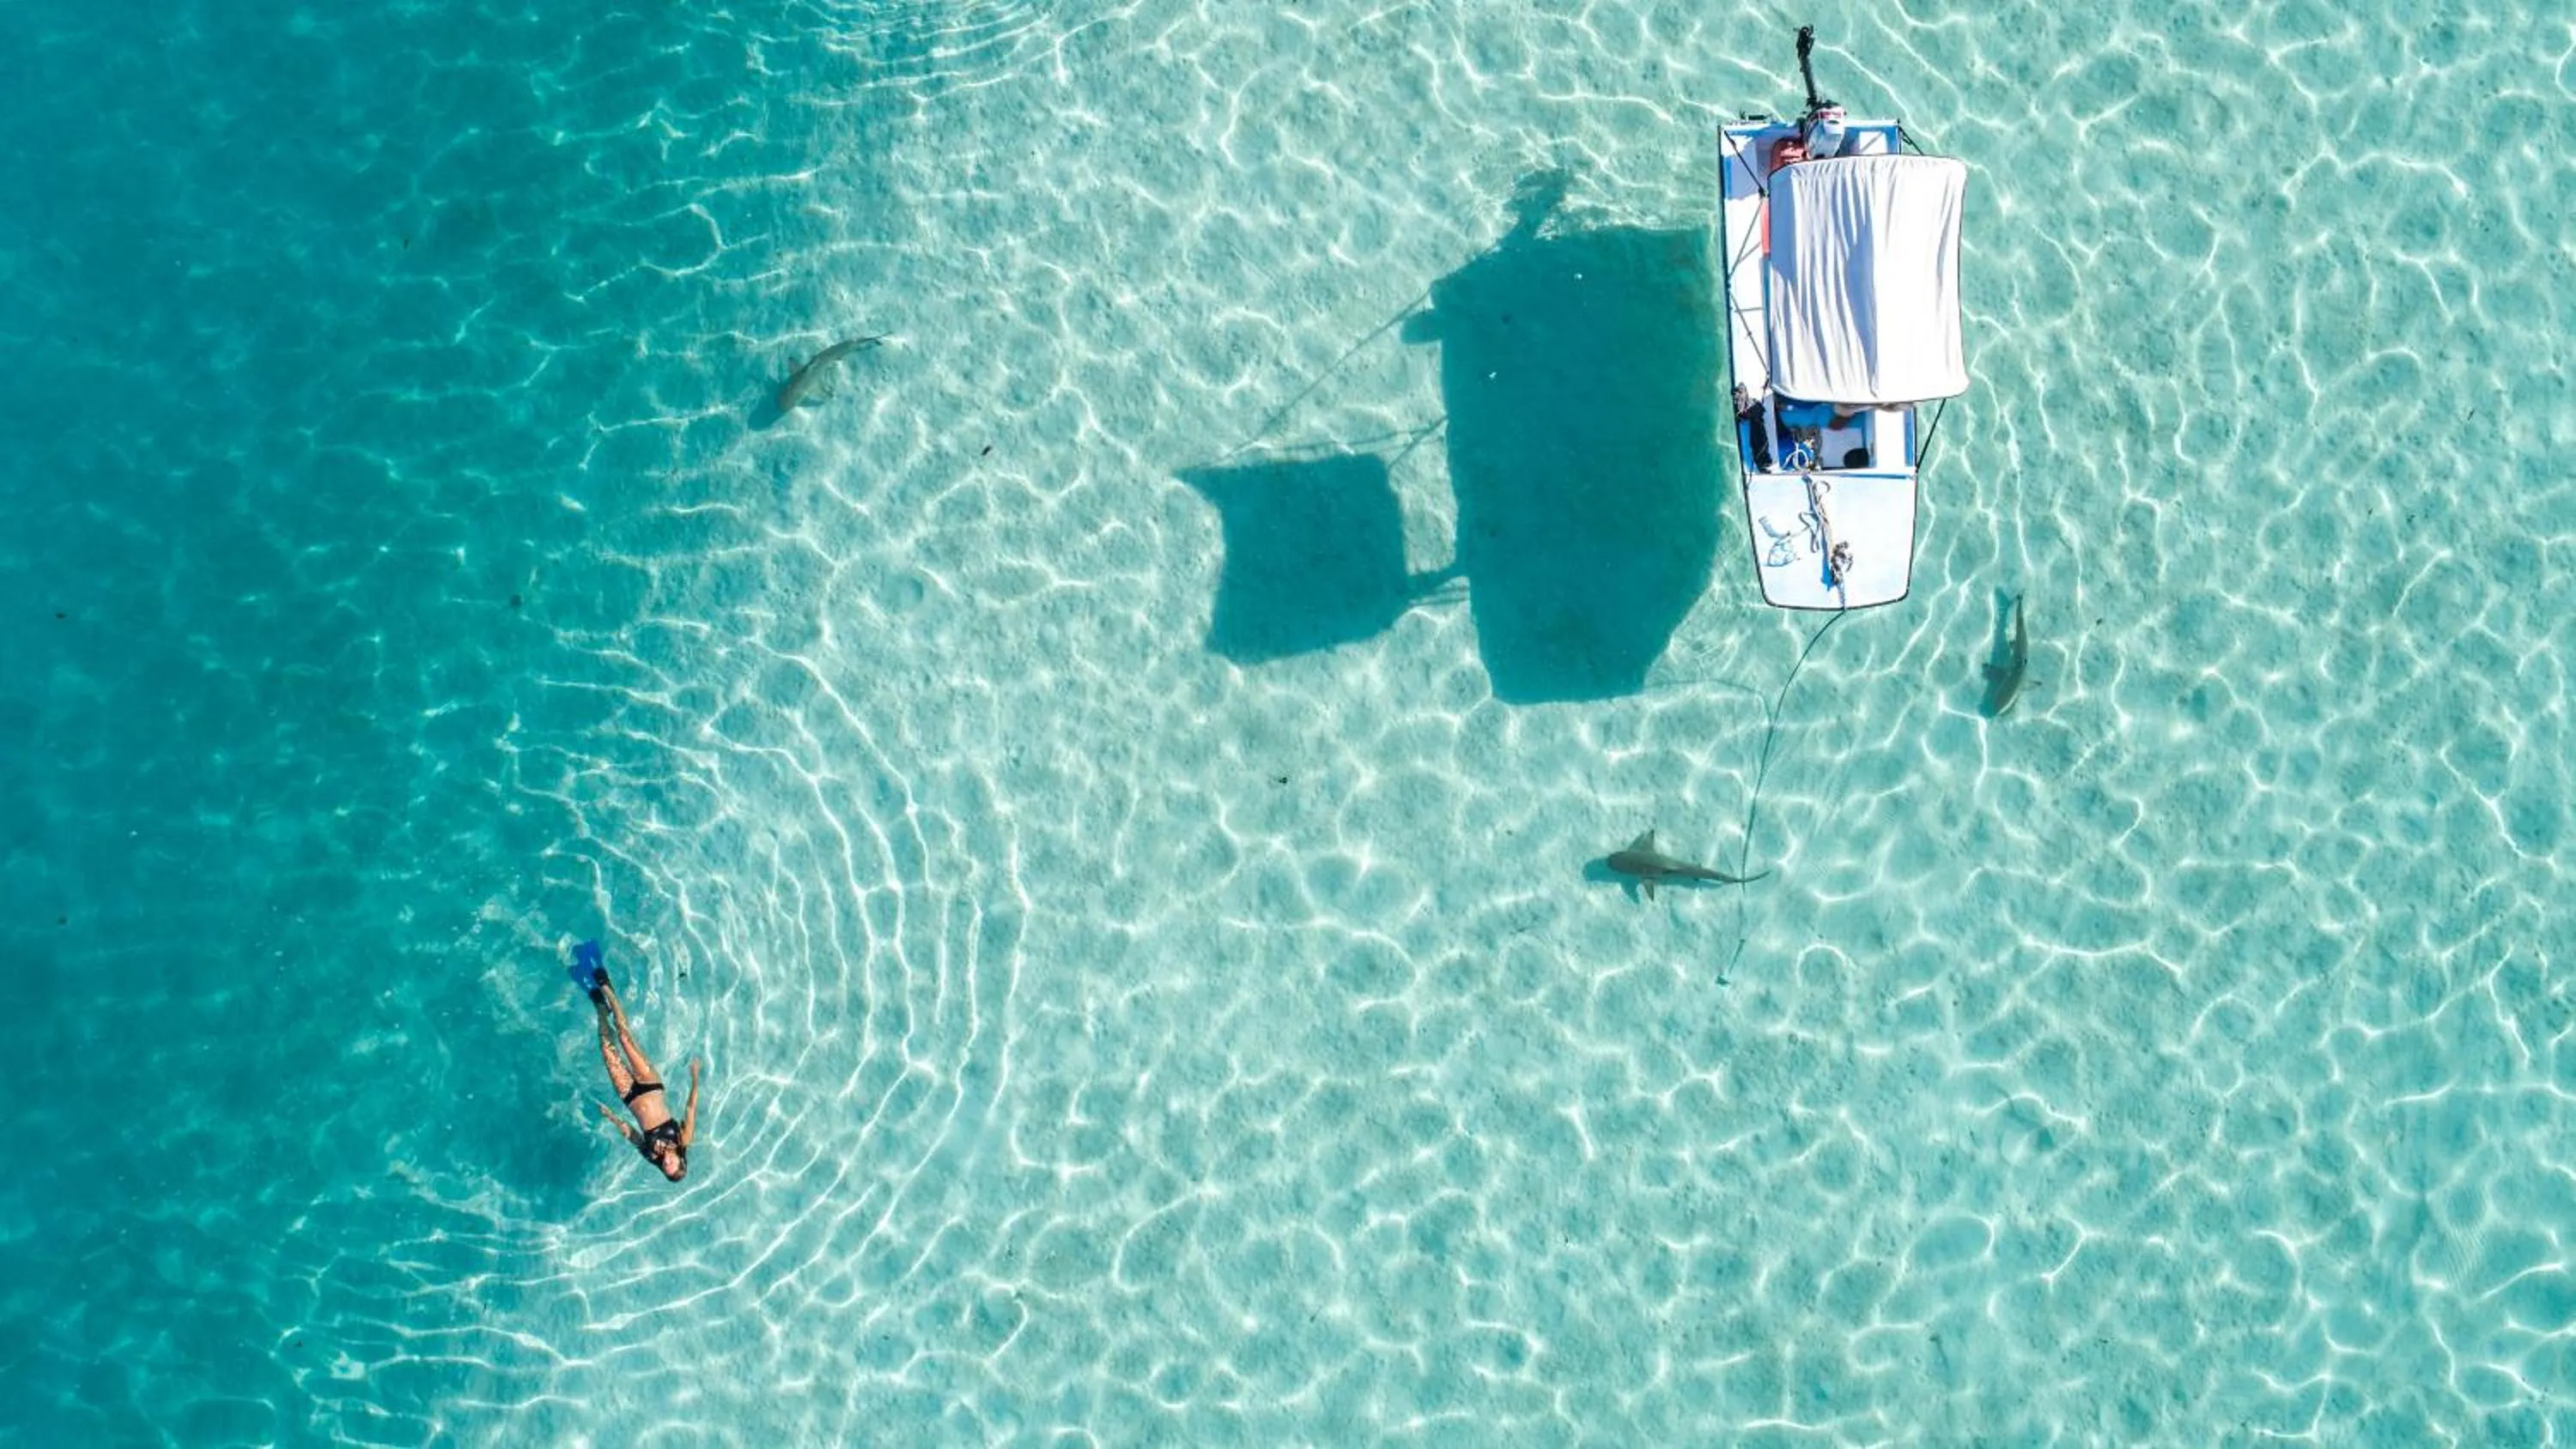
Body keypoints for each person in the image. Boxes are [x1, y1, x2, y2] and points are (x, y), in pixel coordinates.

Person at [568, 941, 699, 1181]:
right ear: (682, 1160)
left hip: (628, 1095)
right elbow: (690, 1109)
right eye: (674, 1164)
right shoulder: (683, 1139)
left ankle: (599, 1006)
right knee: (625, 1037)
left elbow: (632, 1135)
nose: (667, 1162)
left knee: (607, 1048)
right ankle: (604, 983)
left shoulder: (651, 1156)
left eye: (666, 1167)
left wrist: (613, 1118)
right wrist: (695, 1077)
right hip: (650, 1085)